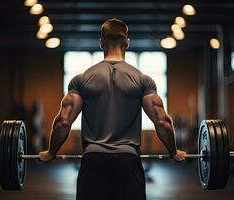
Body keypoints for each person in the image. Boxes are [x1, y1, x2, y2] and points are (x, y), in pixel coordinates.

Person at [39, 18, 187, 200]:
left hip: (93, 161)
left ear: (101, 43)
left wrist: (51, 152)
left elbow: (63, 121)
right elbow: (162, 121)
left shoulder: (81, 79)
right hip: (128, 162)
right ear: (127, 42)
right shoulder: (142, 80)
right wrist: (173, 152)